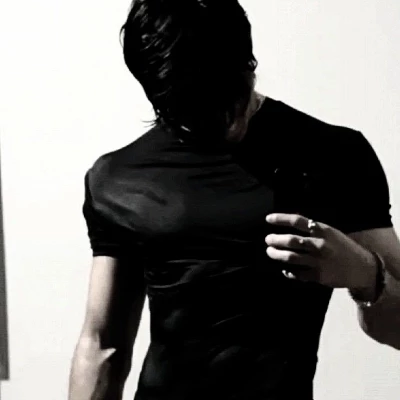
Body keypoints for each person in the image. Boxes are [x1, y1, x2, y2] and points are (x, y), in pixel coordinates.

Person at [68, 1, 400, 399]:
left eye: (225, 102)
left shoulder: (333, 156)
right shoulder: (118, 178)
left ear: (249, 65)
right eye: (194, 113)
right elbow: (102, 346)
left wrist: (365, 274)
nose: (221, 123)